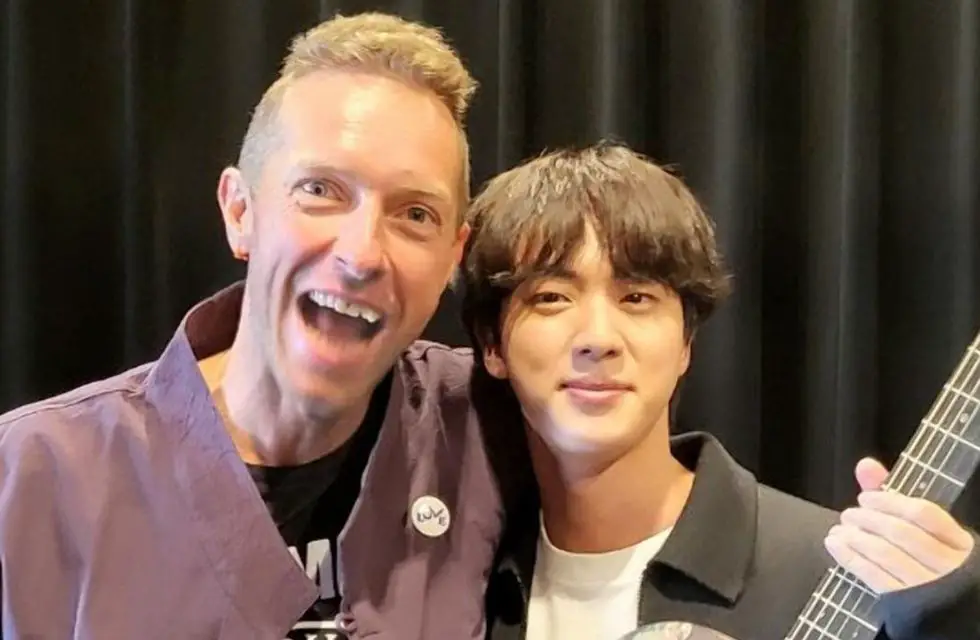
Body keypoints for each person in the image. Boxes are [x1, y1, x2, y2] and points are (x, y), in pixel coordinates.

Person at [0, 12, 507, 640]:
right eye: (320, 189)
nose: (362, 254)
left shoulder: (496, 427)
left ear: (454, 255)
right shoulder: (34, 478)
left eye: (415, 215)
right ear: (240, 211)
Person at [460, 141, 980, 640]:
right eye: (552, 297)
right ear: (492, 345)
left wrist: (956, 615)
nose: (598, 339)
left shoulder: (840, 572)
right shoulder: (461, 582)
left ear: (686, 343)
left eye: (637, 297)